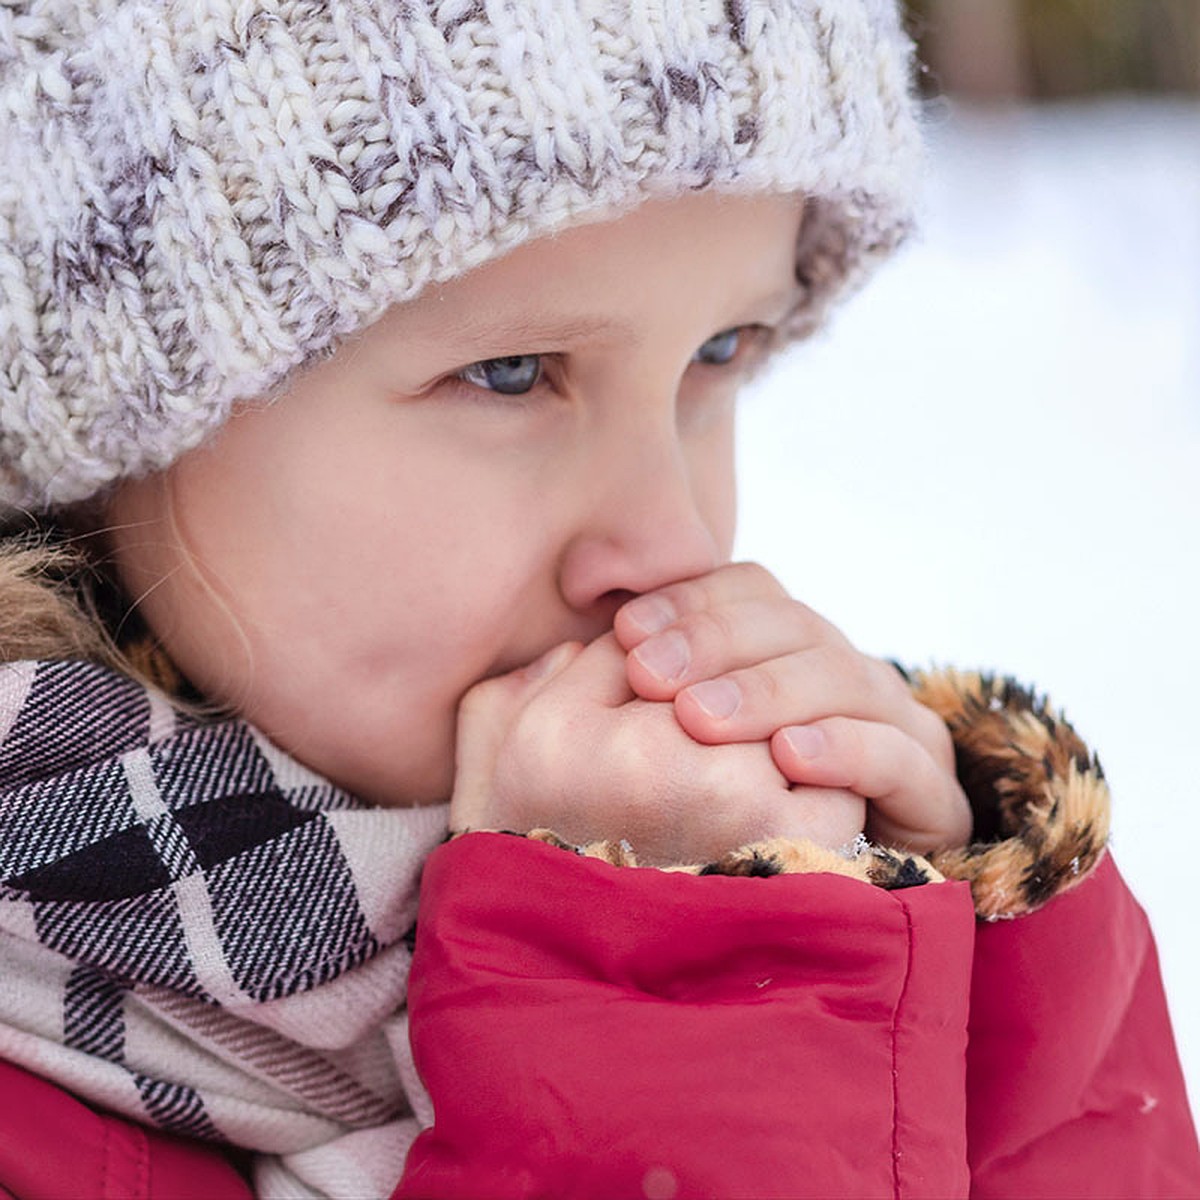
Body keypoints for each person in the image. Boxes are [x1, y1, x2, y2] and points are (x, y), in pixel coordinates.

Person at [0, 1, 1195, 1197]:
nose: (671, 541)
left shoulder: (809, 840)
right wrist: (664, 995)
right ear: (124, 422)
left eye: (720, 352)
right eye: (510, 373)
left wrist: (944, 988)